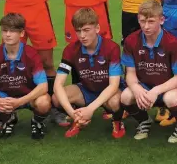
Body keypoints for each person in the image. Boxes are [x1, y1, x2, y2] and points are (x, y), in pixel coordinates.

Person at [121, 0, 177, 143]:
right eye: (142, 21)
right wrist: (136, 88)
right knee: (126, 96)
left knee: (171, 99)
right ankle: (144, 121)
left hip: (169, 87)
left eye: (151, 21)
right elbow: (130, 73)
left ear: (161, 19)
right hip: (145, 85)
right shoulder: (131, 40)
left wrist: (156, 91)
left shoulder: (172, 42)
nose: (146, 26)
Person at [52, 8, 125, 139]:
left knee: (116, 101)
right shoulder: (70, 49)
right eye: (78, 31)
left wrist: (90, 109)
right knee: (56, 98)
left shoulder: (111, 48)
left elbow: (114, 85)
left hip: (109, 91)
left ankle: (117, 121)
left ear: (97, 28)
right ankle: (78, 119)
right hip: (86, 89)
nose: (82, 36)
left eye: (86, 30)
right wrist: (72, 112)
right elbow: (57, 85)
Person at [0, 13, 51, 140]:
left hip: (26, 95)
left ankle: (37, 122)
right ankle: (8, 118)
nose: (8, 34)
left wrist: (20, 101)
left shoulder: (31, 53)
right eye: (5, 31)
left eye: (12, 31)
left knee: (44, 102)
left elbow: (43, 86)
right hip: (3, 96)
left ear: (22, 33)